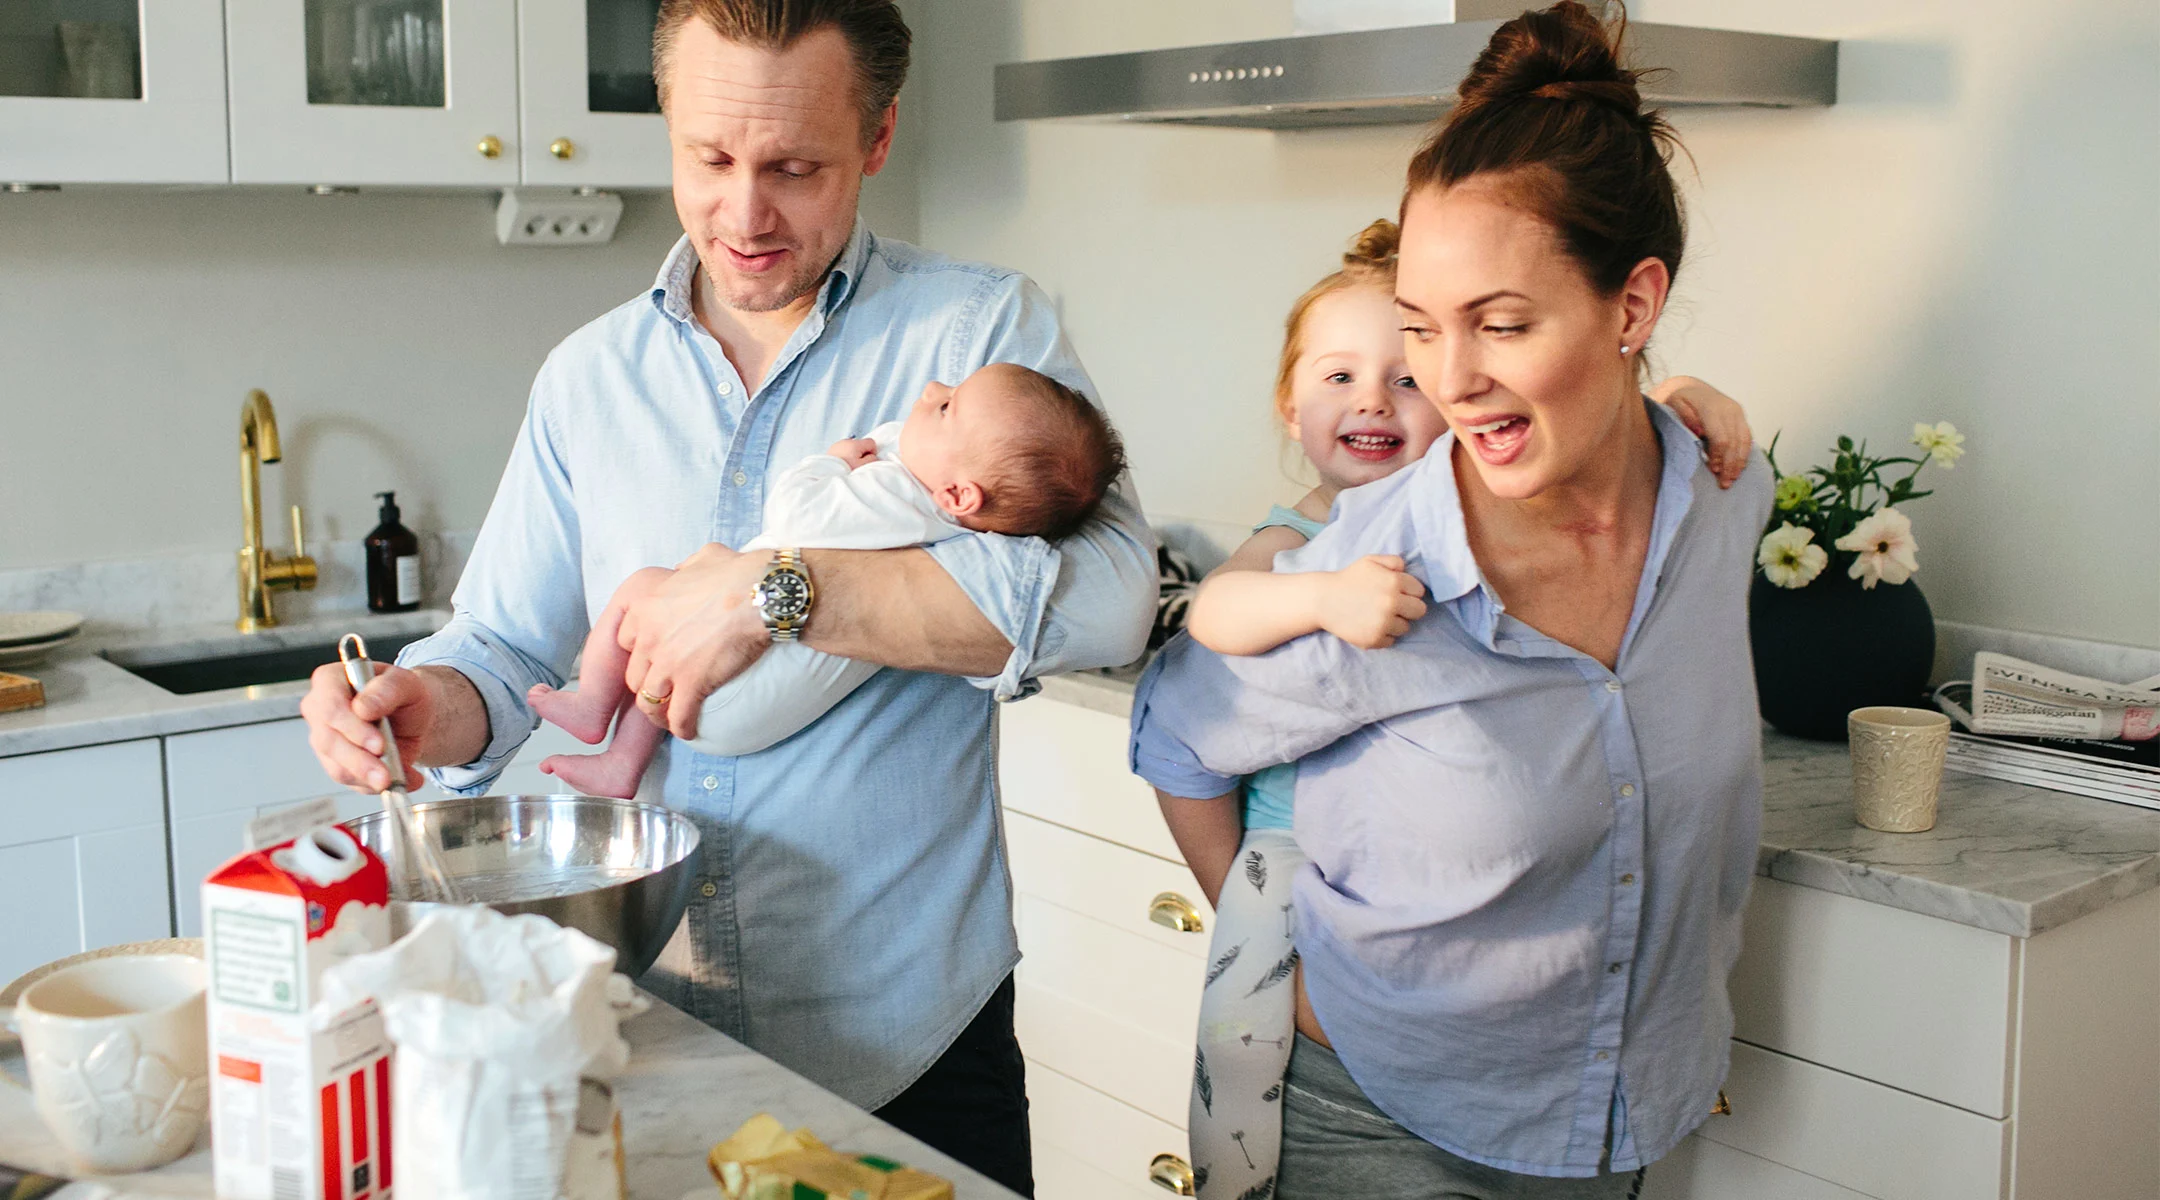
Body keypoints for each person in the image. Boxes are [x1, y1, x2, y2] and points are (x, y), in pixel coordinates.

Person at [297, 2, 1156, 1192]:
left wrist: (778, 593)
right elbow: (500, 645)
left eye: (795, 167)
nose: (744, 215)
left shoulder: (977, 337)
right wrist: (415, 703)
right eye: (709, 158)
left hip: (908, 1035)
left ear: (879, 136)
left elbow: (1113, 599)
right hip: (634, 1028)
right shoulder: (589, 377)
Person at [1133, 4, 1772, 1194]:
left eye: (1504, 324)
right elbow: (1177, 728)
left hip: (1627, 1119)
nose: (1452, 379)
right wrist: (1280, 953)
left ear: (1632, 309)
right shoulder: (1375, 570)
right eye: (1424, 328)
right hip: (1387, 1123)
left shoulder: (1726, 497)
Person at [531, 364, 1127, 798]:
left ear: (958, 493)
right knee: (670, 632)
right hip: (738, 702)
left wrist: (834, 463)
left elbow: (794, 514)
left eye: (947, 407)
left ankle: (592, 702)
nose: (929, 390)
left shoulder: (896, 493)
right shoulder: (956, 529)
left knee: (646, 586)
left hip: (732, 688)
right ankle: (623, 762)